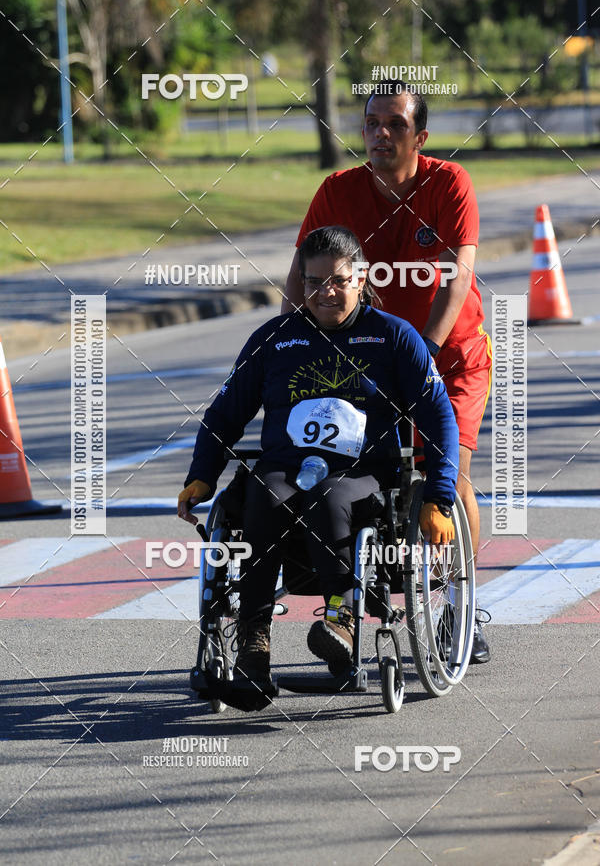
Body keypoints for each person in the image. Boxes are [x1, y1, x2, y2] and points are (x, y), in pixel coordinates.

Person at [178, 226, 459, 684]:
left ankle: (341, 619)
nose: (325, 292)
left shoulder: (394, 337)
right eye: (312, 282)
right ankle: (253, 640)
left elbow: (438, 417)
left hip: (362, 472)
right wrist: (202, 475)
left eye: (338, 281)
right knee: (265, 494)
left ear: (361, 279)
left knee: (330, 494)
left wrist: (439, 496)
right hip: (284, 468)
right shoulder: (275, 339)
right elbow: (225, 413)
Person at [282, 83, 492, 664]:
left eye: (395, 125)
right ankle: (350, 599)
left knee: (448, 473)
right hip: (370, 360)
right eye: (372, 123)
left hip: (447, 358)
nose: (381, 133)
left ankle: (459, 609)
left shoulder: (450, 184)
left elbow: (458, 277)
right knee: (358, 470)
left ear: (419, 137)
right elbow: (301, 277)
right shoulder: (337, 191)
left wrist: (424, 350)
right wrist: (291, 346)